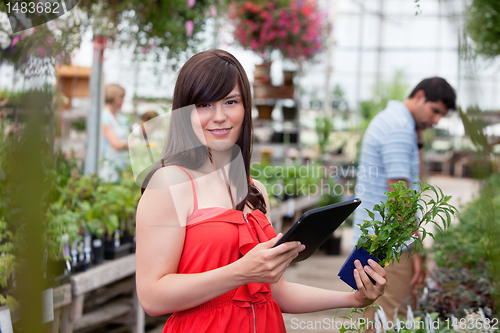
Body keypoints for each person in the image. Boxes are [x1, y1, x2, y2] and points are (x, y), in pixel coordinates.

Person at [135, 49, 387, 333]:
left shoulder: (254, 191)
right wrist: (241, 272)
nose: (219, 116)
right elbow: (152, 297)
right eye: (204, 104)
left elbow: (274, 293)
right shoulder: (169, 184)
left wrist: (353, 299)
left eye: (230, 101)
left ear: (246, 108)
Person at [351, 77, 456, 330]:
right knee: (389, 318)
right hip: (390, 243)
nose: (437, 120)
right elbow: (400, 197)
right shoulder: (398, 127)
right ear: (420, 96)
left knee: (377, 317)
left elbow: (413, 181)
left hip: (381, 238)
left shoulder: (399, 123)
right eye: (435, 111)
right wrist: (417, 250)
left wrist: (419, 139)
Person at [98, 84, 130, 183]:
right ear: (117, 99)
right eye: (122, 98)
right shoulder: (104, 117)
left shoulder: (120, 118)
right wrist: (139, 144)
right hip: (108, 167)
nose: (123, 101)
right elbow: (116, 144)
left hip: (121, 164)